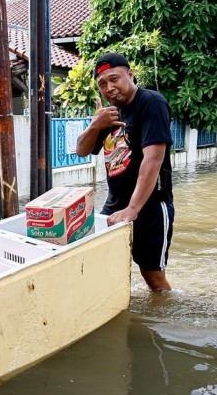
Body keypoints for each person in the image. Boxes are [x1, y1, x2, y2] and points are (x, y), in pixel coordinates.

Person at [75, 53, 174, 292]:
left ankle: (163, 318)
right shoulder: (110, 115)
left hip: (150, 206)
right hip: (114, 206)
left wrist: (133, 209)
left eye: (114, 79)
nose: (109, 88)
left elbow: (154, 159)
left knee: (153, 277)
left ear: (130, 75)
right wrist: (95, 125)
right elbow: (81, 150)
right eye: (102, 84)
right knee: (102, 264)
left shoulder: (151, 103)